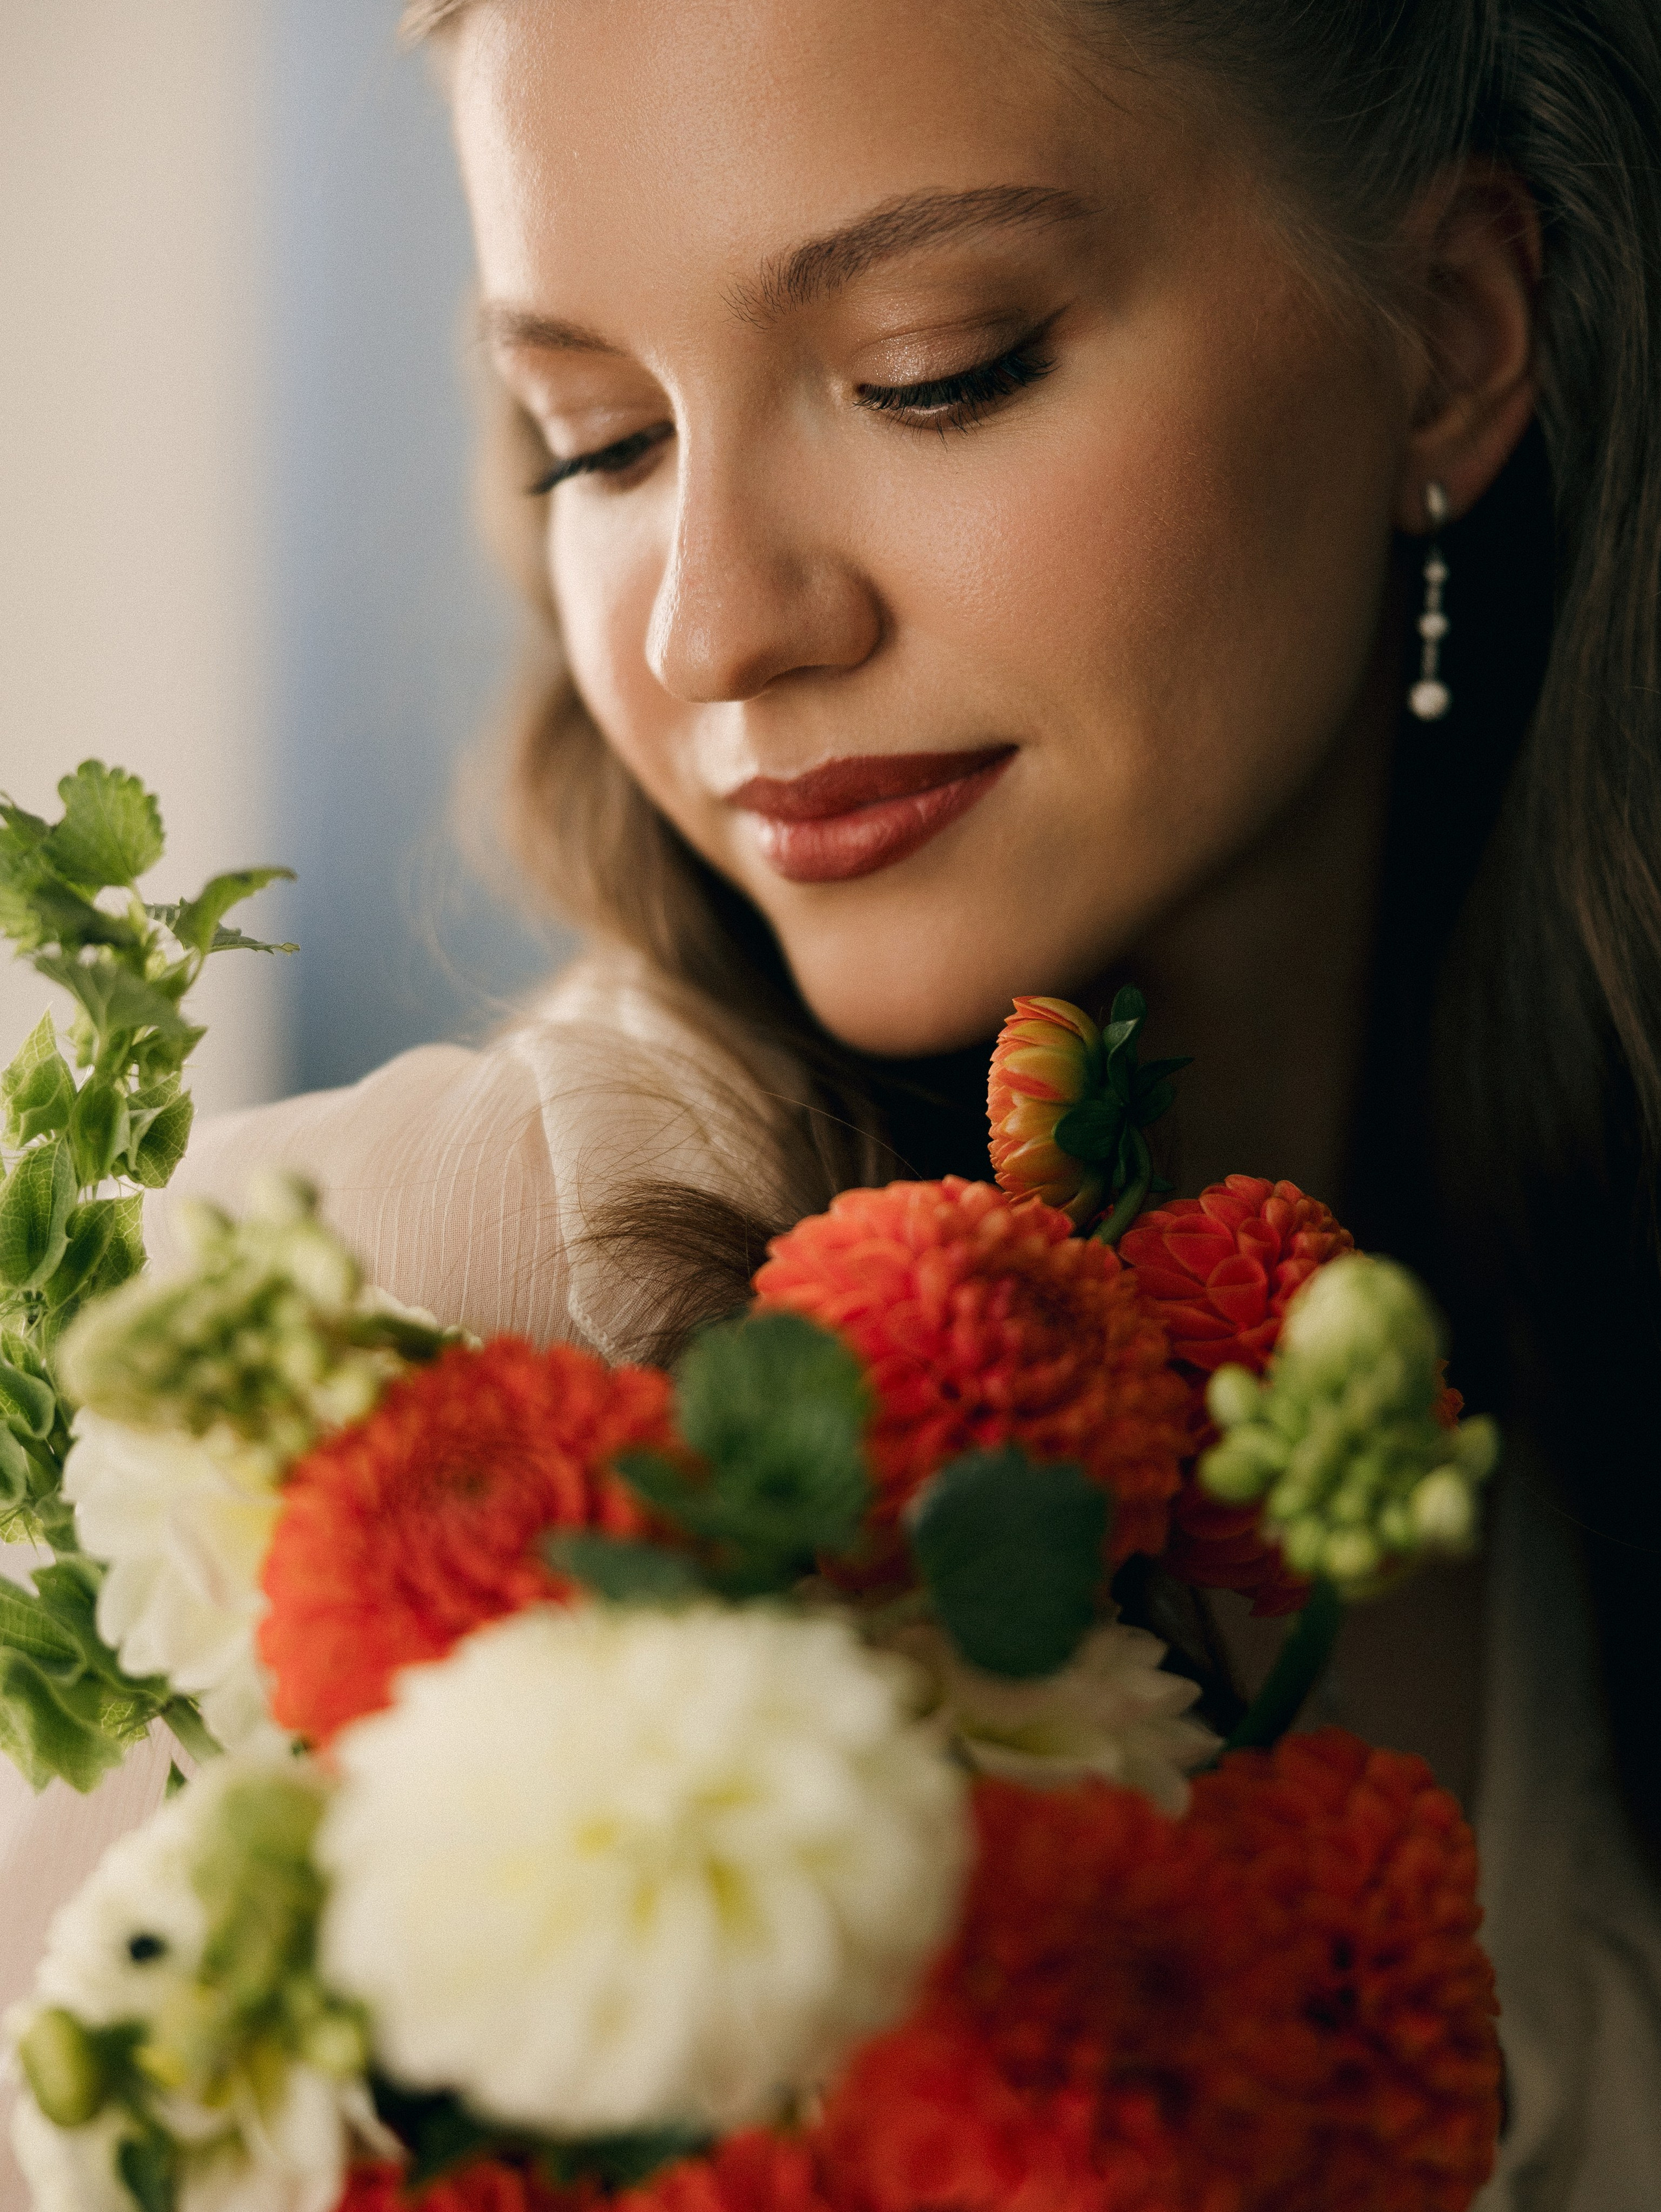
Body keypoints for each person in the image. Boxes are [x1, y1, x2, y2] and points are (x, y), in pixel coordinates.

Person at [4, 3, 1660, 2205]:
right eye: (594, 437)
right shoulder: (446, 1309)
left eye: (933, 367)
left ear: (1451, 335)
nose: (710, 625)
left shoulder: (1555, 1439)